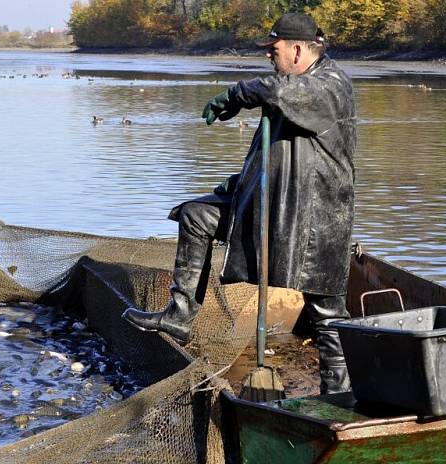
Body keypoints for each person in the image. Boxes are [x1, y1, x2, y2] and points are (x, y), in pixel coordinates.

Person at [122, 12, 357, 394]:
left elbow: (277, 91)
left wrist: (236, 94)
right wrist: (239, 183)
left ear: (297, 49)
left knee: (325, 310)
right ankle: (179, 315)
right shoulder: (293, 84)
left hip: (317, 220)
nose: (270, 56)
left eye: (274, 49)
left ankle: (341, 391)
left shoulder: (330, 85)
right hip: (270, 203)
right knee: (197, 215)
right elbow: (277, 154)